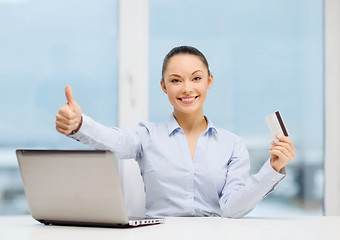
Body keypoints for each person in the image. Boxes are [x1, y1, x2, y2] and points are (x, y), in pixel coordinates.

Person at [55, 46, 295, 218]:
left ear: (209, 81)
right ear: (164, 86)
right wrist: (79, 124)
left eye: (196, 78)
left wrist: (272, 169)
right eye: (176, 80)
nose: (187, 88)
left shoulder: (232, 145)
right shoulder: (147, 135)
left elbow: (232, 209)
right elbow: (116, 141)